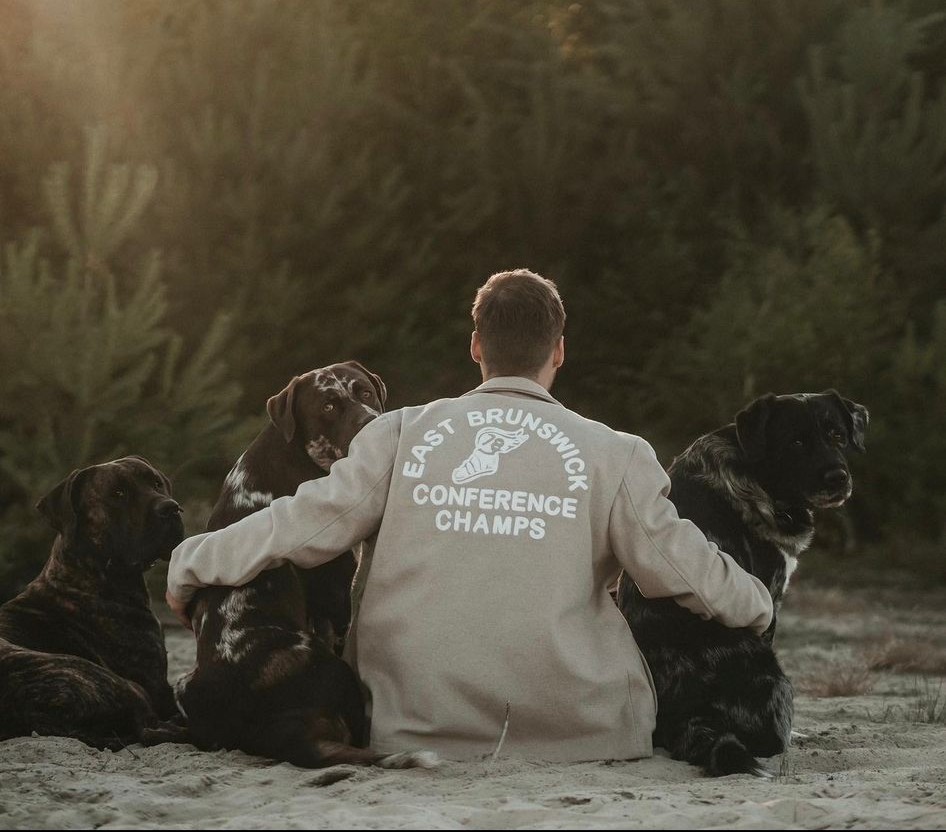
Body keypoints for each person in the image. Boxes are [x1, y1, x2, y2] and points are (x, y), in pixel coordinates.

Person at [166, 268, 773, 762]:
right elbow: (686, 570)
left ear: (476, 346)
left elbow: (299, 525)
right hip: (580, 731)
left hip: (413, 723)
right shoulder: (617, 454)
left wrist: (190, 562)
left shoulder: (400, 434)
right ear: (559, 350)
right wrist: (757, 603)